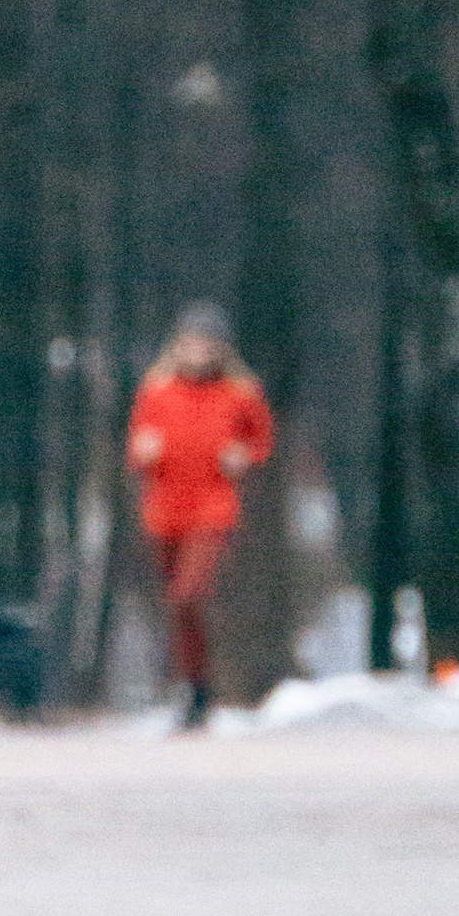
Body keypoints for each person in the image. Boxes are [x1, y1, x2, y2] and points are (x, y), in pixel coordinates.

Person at [126, 305, 275, 726]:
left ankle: (195, 686)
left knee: (188, 595)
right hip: (165, 509)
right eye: (192, 341)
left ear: (221, 349)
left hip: (212, 506)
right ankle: (196, 685)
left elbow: (261, 441)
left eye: (208, 343)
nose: (199, 351)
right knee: (178, 605)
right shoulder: (156, 390)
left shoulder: (241, 393)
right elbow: (137, 446)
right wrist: (144, 451)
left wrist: (243, 455)